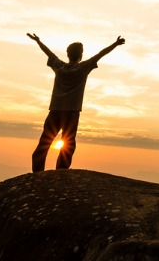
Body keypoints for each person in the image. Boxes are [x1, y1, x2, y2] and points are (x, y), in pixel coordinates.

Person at [28, 33, 125, 172]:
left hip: (55, 111)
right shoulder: (83, 68)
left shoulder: (59, 67)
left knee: (44, 143)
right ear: (80, 55)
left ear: (68, 54)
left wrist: (38, 41)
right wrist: (115, 44)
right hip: (71, 113)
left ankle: (37, 173)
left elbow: (48, 53)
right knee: (68, 144)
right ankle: (61, 172)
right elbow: (100, 54)